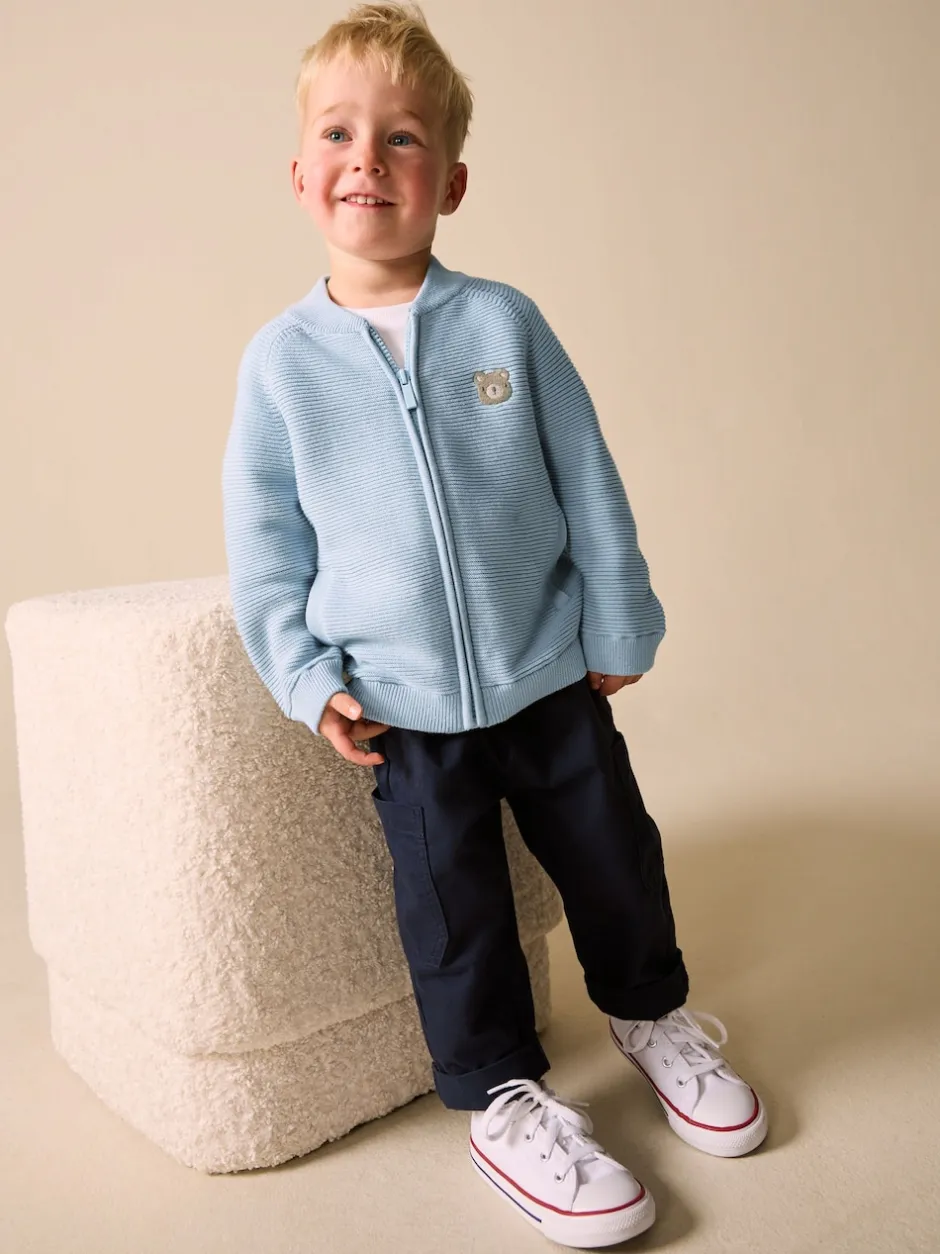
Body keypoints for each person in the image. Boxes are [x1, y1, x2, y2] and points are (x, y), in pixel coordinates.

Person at [221, 3, 767, 1245]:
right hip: (403, 710)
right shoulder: (280, 365)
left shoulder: (502, 323)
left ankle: (650, 1017)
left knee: (614, 858)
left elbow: (587, 479)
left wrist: (617, 622)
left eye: (403, 138)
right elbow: (265, 547)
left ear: (450, 182)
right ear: (299, 174)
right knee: (454, 911)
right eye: (339, 134)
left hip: (546, 677)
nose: (369, 160)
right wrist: (305, 677)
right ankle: (502, 1099)